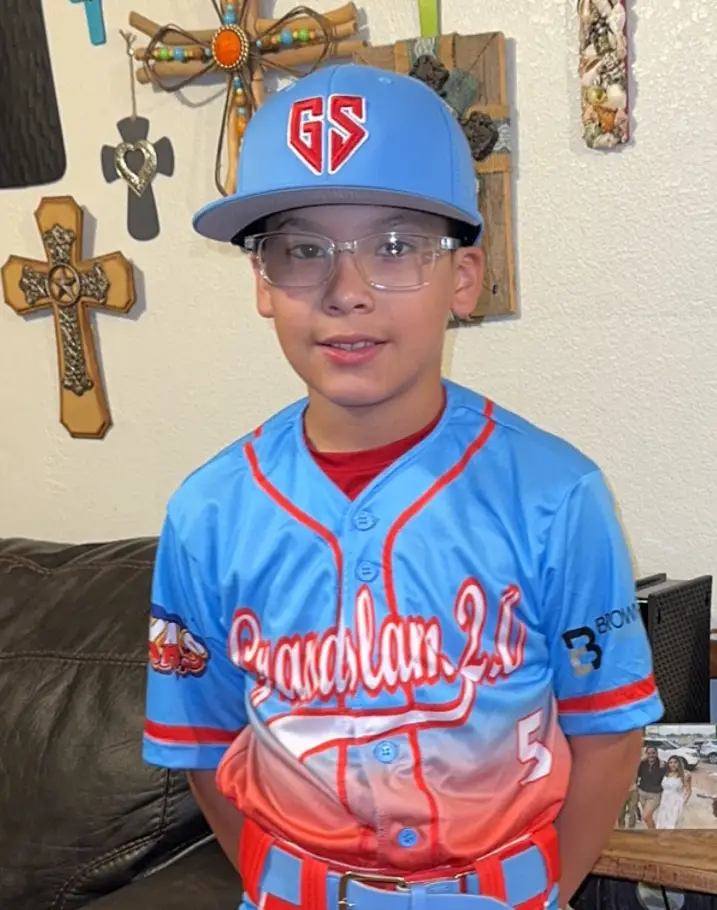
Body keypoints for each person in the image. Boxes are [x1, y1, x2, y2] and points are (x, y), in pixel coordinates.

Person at [142, 62, 665, 910]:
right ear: (262, 283)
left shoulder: (555, 495)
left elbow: (606, 732)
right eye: (302, 251)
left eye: (393, 247)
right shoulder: (206, 514)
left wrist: (541, 894)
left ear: (463, 277)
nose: (346, 293)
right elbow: (204, 741)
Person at [654, 756, 691, 829]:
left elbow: (689, 790)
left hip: (676, 803)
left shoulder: (684, 776)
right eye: (670, 763)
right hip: (664, 802)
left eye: (675, 762)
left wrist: (683, 801)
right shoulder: (666, 774)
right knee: (662, 823)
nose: (673, 764)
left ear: (679, 764)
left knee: (672, 824)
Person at [636, 745, 666, 828]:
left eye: (653, 753)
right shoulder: (642, 764)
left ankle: (653, 831)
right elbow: (633, 772)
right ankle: (653, 831)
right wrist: (640, 760)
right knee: (648, 817)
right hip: (642, 793)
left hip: (654, 795)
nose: (651, 755)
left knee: (645, 816)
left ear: (657, 754)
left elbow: (673, 771)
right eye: (649, 753)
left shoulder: (662, 765)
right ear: (646, 754)